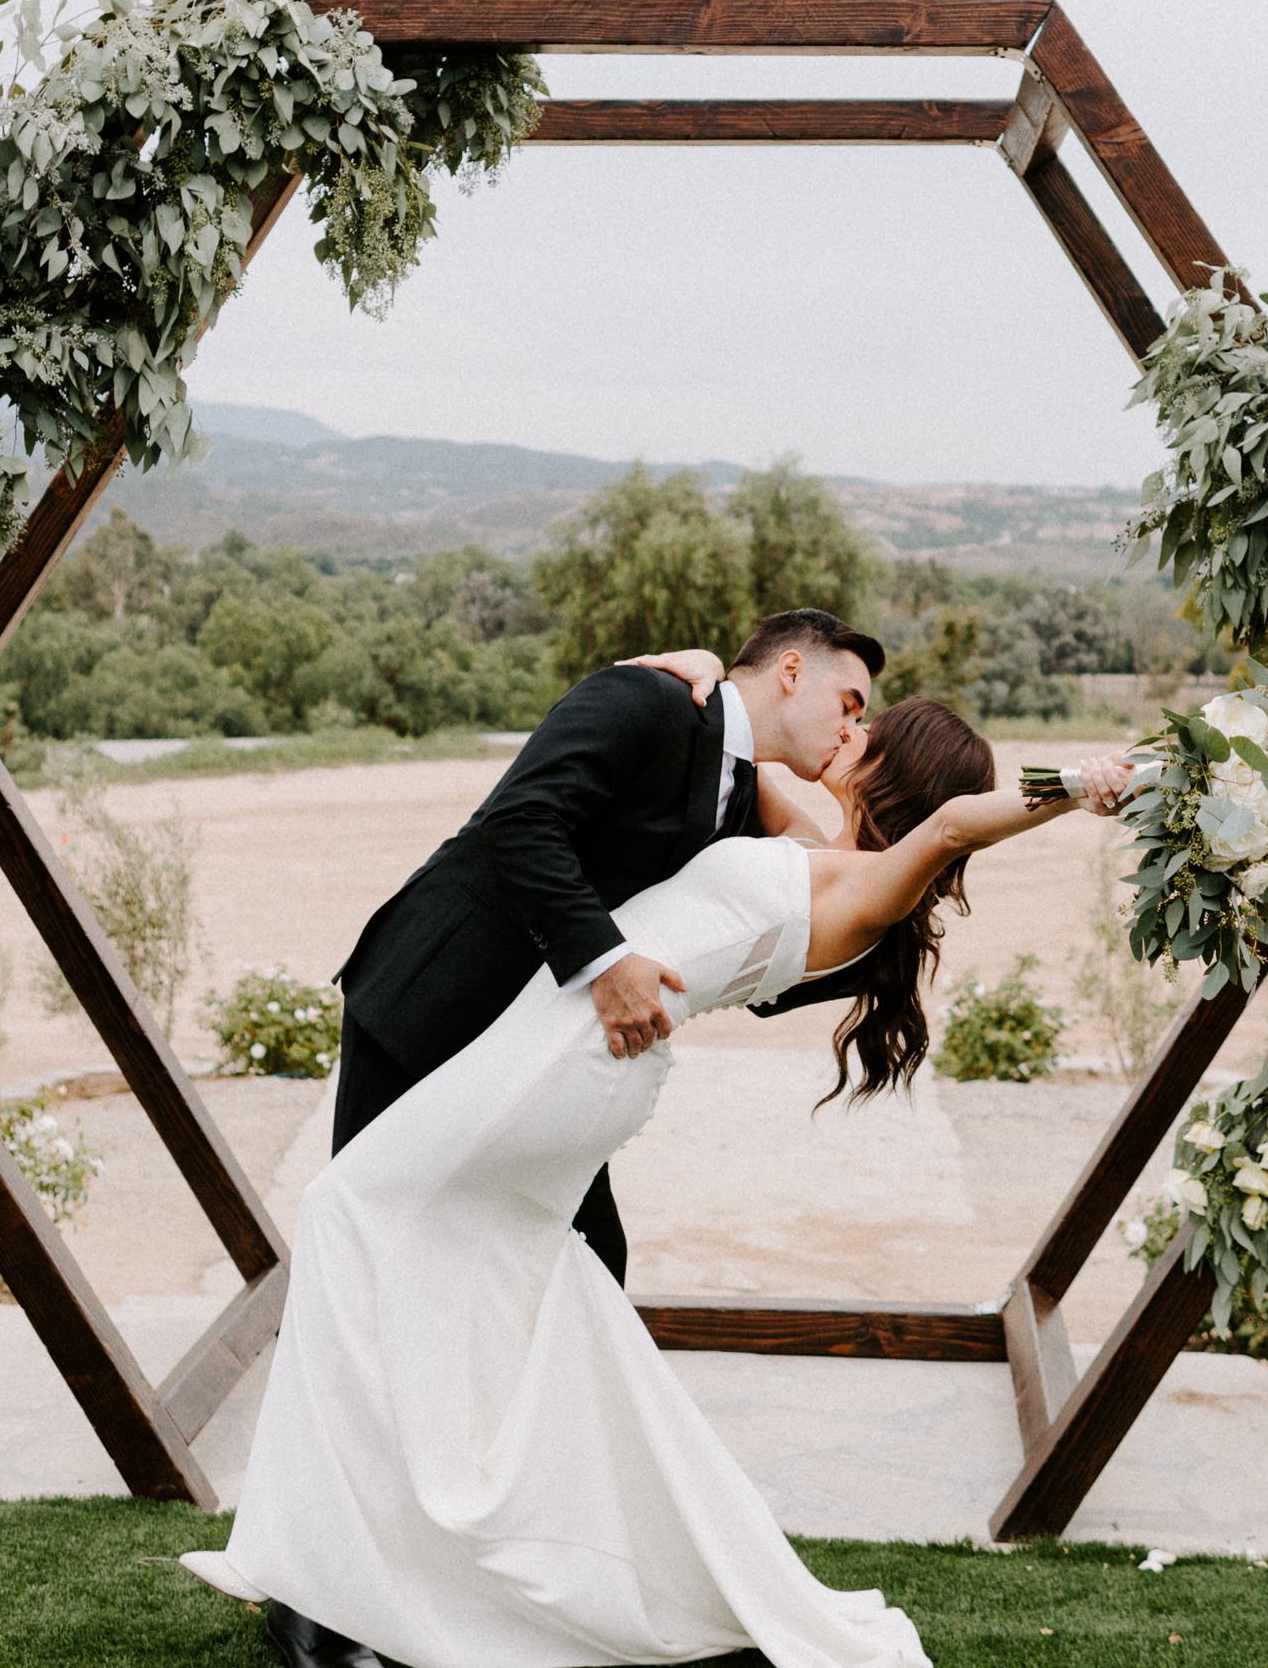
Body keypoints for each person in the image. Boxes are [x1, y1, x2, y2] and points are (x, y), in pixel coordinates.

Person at [181, 688, 1133, 1668]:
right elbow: (744, 746)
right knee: (500, 1278)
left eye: (868, 732)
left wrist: (1073, 790)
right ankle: (382, 1553)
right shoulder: (807, 830)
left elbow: (945, 824)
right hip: (566, 1041)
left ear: (896, 773)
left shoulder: (870, 887)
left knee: (348, 1211)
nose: (846, 728)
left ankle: (346, 1569)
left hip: (573, 1058)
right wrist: (684, 664)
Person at [331, 609, 885, 1288]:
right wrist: (607, 959)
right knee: (368, 1239)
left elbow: (824, 885)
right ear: (791, 671)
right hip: (430, 1002)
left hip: (534, 1048)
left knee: (588, 1261)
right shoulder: (644, 698)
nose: (850, 730)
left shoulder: (737, 789)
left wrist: (856, 790)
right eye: (848, 705)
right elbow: (520, 821)